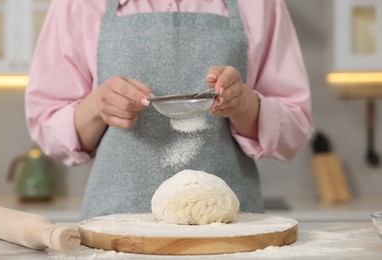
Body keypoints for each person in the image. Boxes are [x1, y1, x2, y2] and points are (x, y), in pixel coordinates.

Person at [25, 0, 314, 219]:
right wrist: (97, 106)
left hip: (228, 230)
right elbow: (47, 121)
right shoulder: (78, 4)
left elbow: (296, 124)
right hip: (115, 229)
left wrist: (243, 104)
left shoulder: (260, 5)